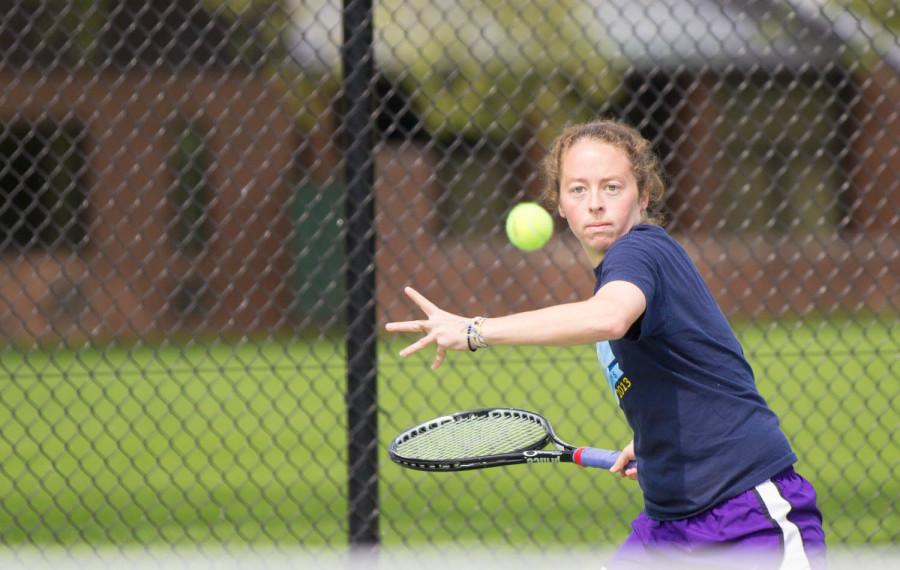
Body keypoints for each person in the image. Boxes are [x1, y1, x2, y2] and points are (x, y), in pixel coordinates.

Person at [385, 119, 825, 569]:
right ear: (559, 204)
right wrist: (656, 442)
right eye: (578, 190)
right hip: (668, 524)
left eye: (612, 187)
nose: (595, 204)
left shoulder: (641, 251)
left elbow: (609, 317)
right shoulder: (618, 274)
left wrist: (475, 330)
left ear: (644, 195)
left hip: (745, 513)